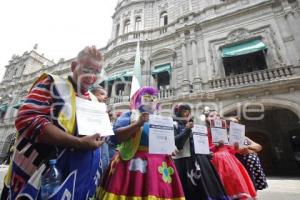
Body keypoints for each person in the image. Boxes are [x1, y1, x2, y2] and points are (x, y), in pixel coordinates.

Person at [5, 46, 106, 200]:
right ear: (73, 67)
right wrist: (78, 142)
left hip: (78, 184)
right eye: (87, 69)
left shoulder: (93, 99)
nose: (92, 77)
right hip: (41, 181)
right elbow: (27, 119)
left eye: (97, 72)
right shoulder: (53, 84)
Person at [99, 86, 185, 200]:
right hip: (132, 163)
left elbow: (167, 141)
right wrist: (137, 124)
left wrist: (170, 147)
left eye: (154, 97)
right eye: (147, 96)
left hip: (159, 167)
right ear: (140, 99)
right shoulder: (130, 115)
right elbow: (115, 137)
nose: (152, 100)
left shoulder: (161, 119)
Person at [173, 104, 229, 200]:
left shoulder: (196, 126)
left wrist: (207, 152)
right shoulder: (174, 125)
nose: (186, 113)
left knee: (209, 187)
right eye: (183, 111)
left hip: (201, 161)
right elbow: (178, 144)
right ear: (177, 113)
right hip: (186, 162)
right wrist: (187, 130)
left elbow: (199, 144)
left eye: (188, 111)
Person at [206, 111, 256, 200]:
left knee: (233, 184)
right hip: (213, 160)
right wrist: (215, 147)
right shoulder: (204, 132)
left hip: (229, 161)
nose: (215, 117)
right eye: (211, 116)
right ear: (207, 119)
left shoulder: (225, 131)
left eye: (217, 115)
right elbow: (203, 149)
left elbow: (231, 150)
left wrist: (236, 147)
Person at [228, 117, 268, 191]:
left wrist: (249, 147)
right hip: (243, 165)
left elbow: (259, 147)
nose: (234, 124)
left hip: (253, 167)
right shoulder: (227, 138)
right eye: (231, 123)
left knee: (253, 187)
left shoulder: (244, 137)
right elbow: (241, 151)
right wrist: (253, 150)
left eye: (236, 122)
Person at [90, 85, 110, 176]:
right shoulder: (87, 109)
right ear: (92, 95)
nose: (105, 97)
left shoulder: (104, 111)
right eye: (101, 94)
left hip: (104, 146)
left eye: (105, 95)